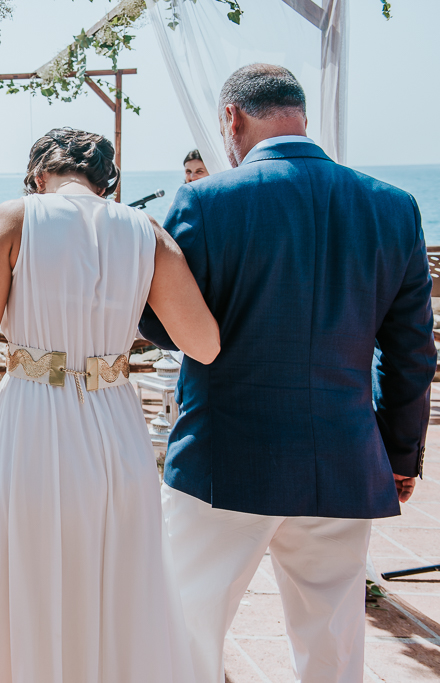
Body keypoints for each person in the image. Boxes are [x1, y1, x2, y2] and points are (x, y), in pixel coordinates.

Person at [140, 64, 435, 683]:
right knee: (332, 644)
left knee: (184, 631)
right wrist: (400, 454)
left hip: (225, 459)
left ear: (233, 119)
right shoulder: (394, 207)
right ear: (300, 116)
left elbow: (166, 327)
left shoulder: (206, 201)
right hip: (341, 458)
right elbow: (410, 350)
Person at [0, 127, 220, 682]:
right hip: (113, 420)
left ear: (38, 176)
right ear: (107, 181)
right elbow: (204, 343)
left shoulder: (16, 217)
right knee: (115, 570)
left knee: (30, 563)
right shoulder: (146, 230)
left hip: (33, 413)